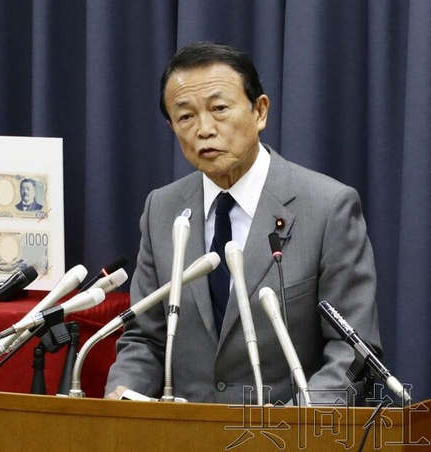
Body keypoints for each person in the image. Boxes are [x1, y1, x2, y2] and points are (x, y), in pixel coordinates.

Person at [105, 42, 380, 405]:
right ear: (171, 127)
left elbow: (353, 353)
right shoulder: (163, 209)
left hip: (284, 429)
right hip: (184, 430)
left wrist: (290, 425)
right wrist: (123, 394)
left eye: (219, 109)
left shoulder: (327, 207)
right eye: (185, 117)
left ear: (259, 111)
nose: (204, 129)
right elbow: (146, 338)